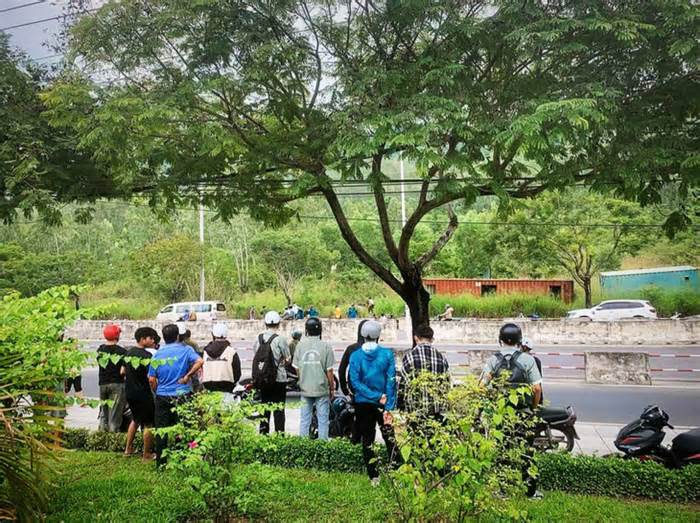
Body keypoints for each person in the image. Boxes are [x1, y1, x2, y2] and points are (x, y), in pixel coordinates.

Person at [479, 323, 543, 498]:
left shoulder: (493, 360)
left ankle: (502, 490)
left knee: (502, 450)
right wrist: (533, 408)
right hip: (523, 413)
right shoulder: (528, 360)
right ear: (519, 340)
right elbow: (537, 389)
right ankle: (530, 492)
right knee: (527, 451)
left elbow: (481, 387)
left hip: (501, 414)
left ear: (500, 340)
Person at [348, 320, 398, 485]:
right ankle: (396, 473)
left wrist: (373, 396)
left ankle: (374, 477)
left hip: (363, 404)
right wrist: (387, 404)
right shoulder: (387, 354)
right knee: (389, 438)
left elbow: (355, 383)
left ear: (362, 334)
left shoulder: (355, 356)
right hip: (383, 403)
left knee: (368, 440)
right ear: (379, 336)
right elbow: (391, 381)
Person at [148, 323, 204, 466]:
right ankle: (183, 458)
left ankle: (161, 462)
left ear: (163, 337)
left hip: (162, 395)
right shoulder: (186, 350)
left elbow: (151, 379)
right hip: (182, 394)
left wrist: (157, 391)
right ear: (178, 336)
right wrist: (188, 375)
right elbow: (200, 361)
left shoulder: (158, 354)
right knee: (184, 427)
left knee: (161, 429)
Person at [293, 317, 335, 440]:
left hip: (305, 389)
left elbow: (296, 368)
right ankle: (322, 446)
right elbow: (330, 371)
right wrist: (332, 389)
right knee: (323, 420)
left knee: (304, 420)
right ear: (320, 330)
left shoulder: (300, 346)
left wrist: (302, 379)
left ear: (306, 330)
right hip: (321, 389)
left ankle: (303, 446)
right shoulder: (326, 346)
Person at [398, 324, 450, 422]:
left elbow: (403, 384)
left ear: (416, 338)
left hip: (415, 410)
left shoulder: (409, 357)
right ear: (432, 339)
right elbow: (446, 384)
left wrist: (400, 405)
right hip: (436, 410)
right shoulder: (441, 358)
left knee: (416, 436)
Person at [122, 326, 158, 460]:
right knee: (149, 423)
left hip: (130, 392)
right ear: (143, 339)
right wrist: (155, 389)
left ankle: (128, 449)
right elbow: (151, 378)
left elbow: (122, 372)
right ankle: (147, 453)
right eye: (150, 338)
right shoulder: (147, 356)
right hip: (143, 393)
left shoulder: (128, 353)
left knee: (135, 420)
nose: (153, 340)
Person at [252, 311, 291, 434]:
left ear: (265, 323)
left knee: (265, 408)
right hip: (279, 379)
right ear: (278, 324)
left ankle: (264, 434)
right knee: (279, 409)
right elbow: (288, 358)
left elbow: (256, 356)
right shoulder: (280, 339)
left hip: (263, 379)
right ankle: (279, 436)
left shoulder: (258, 339)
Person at [97, 324, 127, 432]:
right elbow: (122, 371)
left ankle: (101, 436)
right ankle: (113, 439)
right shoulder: (122, 352)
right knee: (114, 416)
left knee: (104, 415)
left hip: (102, 384)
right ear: (117, 336)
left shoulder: (100, 350)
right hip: (117, 384)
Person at [201, 323, 241, 401]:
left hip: (209, 390)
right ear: (226, 335)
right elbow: (237, 373)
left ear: (213, 334)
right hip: (227, 389)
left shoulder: (205, 352)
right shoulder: (231, 351)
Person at [520, 337, 543, 402]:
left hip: (524, 397)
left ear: (524, 347)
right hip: (535, 397)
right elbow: (539, 383)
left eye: (520, 346)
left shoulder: (519, 360)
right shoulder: (536, 360)